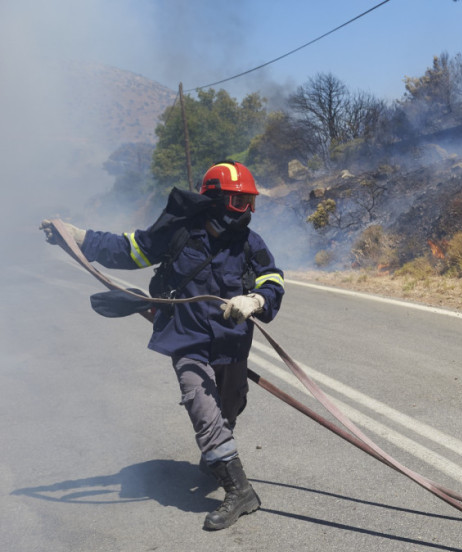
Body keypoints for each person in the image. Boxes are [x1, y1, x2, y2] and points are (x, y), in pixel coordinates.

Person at [40, 161, 285, 530]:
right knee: (201, 403)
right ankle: (240, 491)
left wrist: (257, 301)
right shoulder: (177, 233)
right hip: (186, 337)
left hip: (231, 344)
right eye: (238, 201)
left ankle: (218, 448)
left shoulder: (250, 243)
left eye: (250, 202)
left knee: (230, 403)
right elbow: (129, 249)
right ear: (215, 199)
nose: (246, 211)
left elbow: (273, 281)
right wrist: (78, 238)